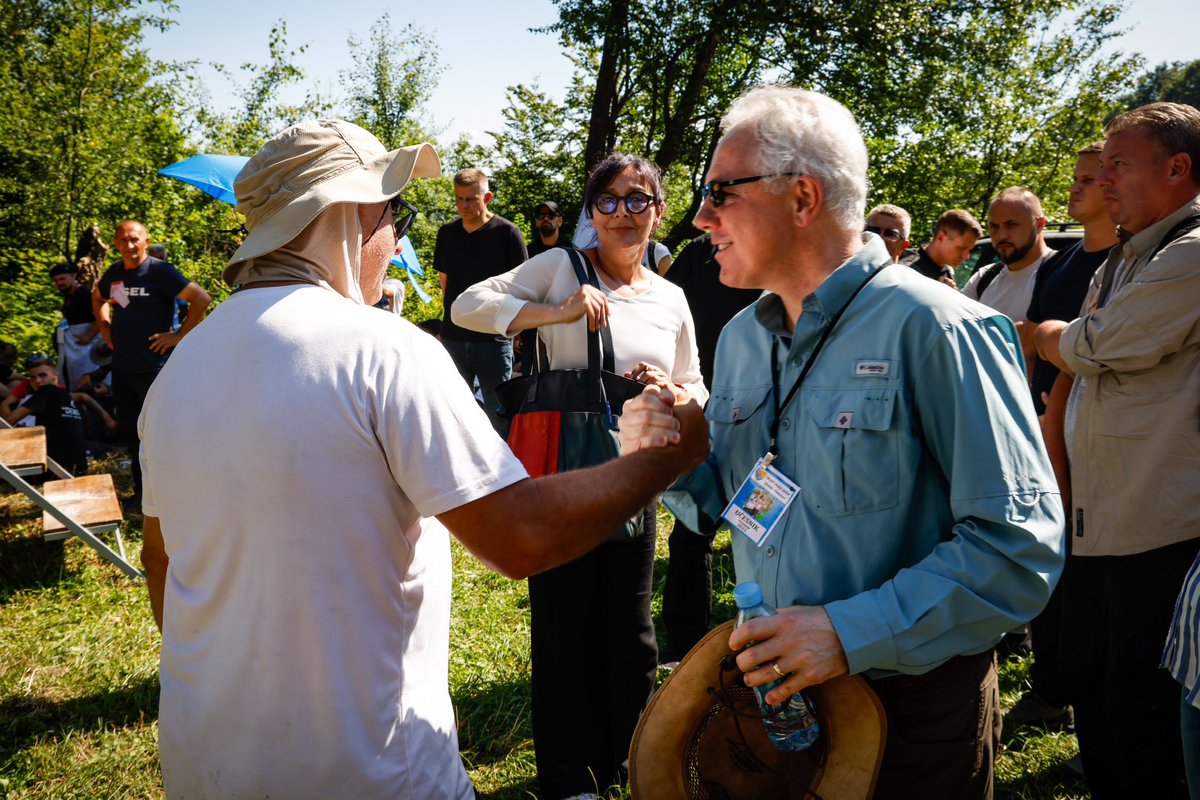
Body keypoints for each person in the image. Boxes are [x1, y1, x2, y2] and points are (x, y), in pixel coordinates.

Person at [136, 119, 707, 800]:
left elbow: (159, 562)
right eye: (394, 215)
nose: (398, 240)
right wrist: (672, 454)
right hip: (371, 774)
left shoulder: (178, 371)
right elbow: (521, 539)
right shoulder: (383, 349)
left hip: (202, 765)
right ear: (350, 217)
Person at [620, 85, 1064, 799]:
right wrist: (666, 458)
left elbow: (1019, 549)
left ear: (802, 198)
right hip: (783, 712)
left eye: (720, 193)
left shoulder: (939, 328)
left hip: (913, 719)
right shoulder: (741, 339)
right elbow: (742, 506)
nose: (700, 217)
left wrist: (849, 631)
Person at [452, 153, 707, 800]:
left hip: (634, 473)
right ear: (592, 211)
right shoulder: (561, 267)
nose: (623, 212)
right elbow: (468, 306)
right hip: (561, 474)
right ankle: (569, 779)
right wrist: (557, 312)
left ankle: (627, 762)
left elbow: (698, 384)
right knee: (563, 626)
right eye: (609, 200)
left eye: (638, 199)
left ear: (658, 211)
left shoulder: (672, 298)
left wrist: (673, 389)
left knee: (631, 632)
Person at [1034, 101, 1200, 800]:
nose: (1104, 180)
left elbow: (1090, 345)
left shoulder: (1192, 252)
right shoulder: (1124, 258)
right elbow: (1076, 374)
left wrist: (1037, 332)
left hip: (1160, 537)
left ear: (1178, 168)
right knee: (1099, 707)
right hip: (1098, 532)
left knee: (1143, 727)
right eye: (1100, 166)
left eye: (1118, 164)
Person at [1004, 141, 1118, 734]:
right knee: (1048, 555)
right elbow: (1031, 345)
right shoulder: (1060, 264)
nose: (1076, 187)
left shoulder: (1129, 265)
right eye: (1075, 178)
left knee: (1091, 571)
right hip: (1038, 432)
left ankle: (1086, 697)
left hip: (1091, 441)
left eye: (1090, 178)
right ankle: (1050, 687)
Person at [658, 232, 760, 666]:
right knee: (692, 529)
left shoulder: (772, 247)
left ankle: (759, 638)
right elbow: (666, 303)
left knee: (760, 530)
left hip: (764, 419)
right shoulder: (700, 251)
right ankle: (685, 647)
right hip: (705, 410)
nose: (711, 215)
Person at [92, 220, 210, 503]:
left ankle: (177, 495)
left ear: (145, 241)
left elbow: (201, 299)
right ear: (116, 243)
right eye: (122, 240)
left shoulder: (159, 271)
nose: (128, 245)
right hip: (122, 369)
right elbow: (98, 298)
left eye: (134, 239)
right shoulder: (115, 273)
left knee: (162, 434)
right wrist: (105, 328)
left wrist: (179, 336)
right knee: (133, 436)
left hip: (154, 369)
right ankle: (143, 495)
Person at [434, 168, 528, 432]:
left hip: (493, 338)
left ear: (487, 198)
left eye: (471, 199)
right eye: (459, 199)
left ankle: (504, 471)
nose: (463, 205)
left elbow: (522, 286)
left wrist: (516, 328)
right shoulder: (447, 233)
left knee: (499, 414)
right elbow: (445, 282)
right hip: (454, 336)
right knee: (453, 411)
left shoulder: (508, 234)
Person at [4, 360, 115, 475]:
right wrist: (107, 418)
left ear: (55, 375)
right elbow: (84, 399)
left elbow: (11, 420)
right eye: (32, 378)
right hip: (79, 469)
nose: (37, 381)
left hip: (51, 470)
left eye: (42, 375)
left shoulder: (46, 391)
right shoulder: (69, 398)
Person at [962, 187, 1053, 324]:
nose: (1001, 235)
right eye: (994, 226)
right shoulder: (983, 278)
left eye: (1012, 225)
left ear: (1039, 224)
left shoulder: (1064, 274)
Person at [49, 263, 102, 390]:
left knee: (85, 379)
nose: (59, 283)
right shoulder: (69, 296)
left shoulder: (84, 295)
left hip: (86, 348)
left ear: (73, 276)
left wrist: (88, 336)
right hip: (73, 346)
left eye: (62, 279)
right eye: (56, 281)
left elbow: (101, 317)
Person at [902, 208, 982, 288]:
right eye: (961, 248)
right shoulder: (908, 270)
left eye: (969, 250)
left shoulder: (946, 271)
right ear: (941, 237)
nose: (967, 256)